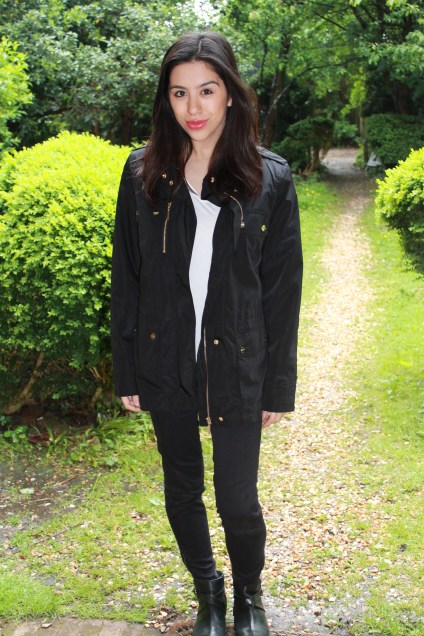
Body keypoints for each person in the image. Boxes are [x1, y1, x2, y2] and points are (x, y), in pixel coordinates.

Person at [111, 31, 302, 636]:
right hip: (164, 355)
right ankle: (209, 594)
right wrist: (126, 369)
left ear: (230, 94)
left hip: (238, 359)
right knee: (182, 489)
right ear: (166, 99)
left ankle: (249, 597)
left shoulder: (269, 177)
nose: (193, 108)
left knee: (237, 499)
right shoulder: (143, 172)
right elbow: (127, 276)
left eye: (207, 91)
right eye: (179, 93)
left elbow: (282, 292)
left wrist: (277, 386)